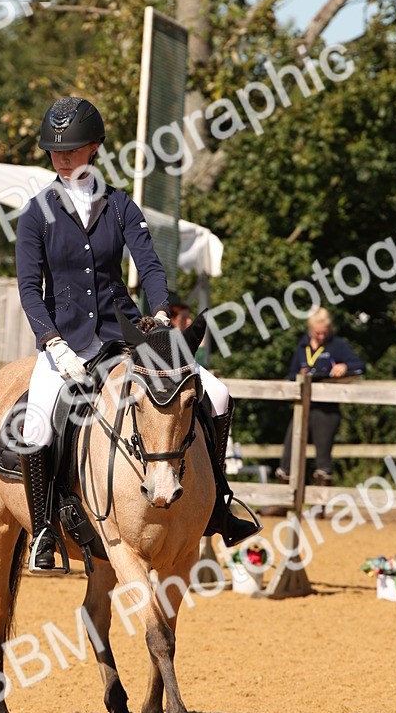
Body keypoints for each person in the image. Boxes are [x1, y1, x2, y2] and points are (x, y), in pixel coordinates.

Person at [15, 95, 259, 571]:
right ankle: (45, 529)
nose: (63, 157)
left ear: (95, 148)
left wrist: (162, 314)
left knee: (218, 392)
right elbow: (28, 288)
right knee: (37, 422)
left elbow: (147, 263)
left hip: (126, 332)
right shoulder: (35, 214)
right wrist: (51, 342)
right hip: (64, 341)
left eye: (74, 147)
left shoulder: (120, 204)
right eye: (56, 150)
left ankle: (220, 504)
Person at [277, 307, 365, 486]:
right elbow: (291, 374)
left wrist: (345, 367)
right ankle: (282, 499)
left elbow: (360, 365)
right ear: (310, 329)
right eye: (318, 333)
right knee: (289, 452)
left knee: (323, 458)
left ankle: (321, 503)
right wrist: (300, 374)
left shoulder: (337, 345)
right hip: (304, 405)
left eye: (324, 333)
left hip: (326, 408)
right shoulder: (302, 346)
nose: (322, 337)